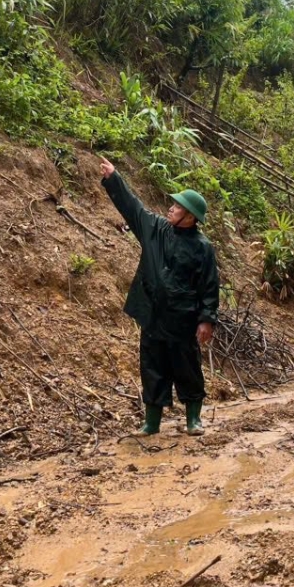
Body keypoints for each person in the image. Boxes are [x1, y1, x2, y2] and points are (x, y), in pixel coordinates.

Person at [100, 157, 219, 436]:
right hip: (153, 317)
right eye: (173, 204)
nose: (171, 207)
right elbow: (133, 207)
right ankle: (151, 422)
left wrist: (206, 319)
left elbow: (209, 286)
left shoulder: (203, 248)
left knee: (187, 368)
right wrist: (113, 178)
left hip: (184, 320)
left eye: (177, 206)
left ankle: (193, 419)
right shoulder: (155, 229)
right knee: (152, 367)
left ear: (190, 216)